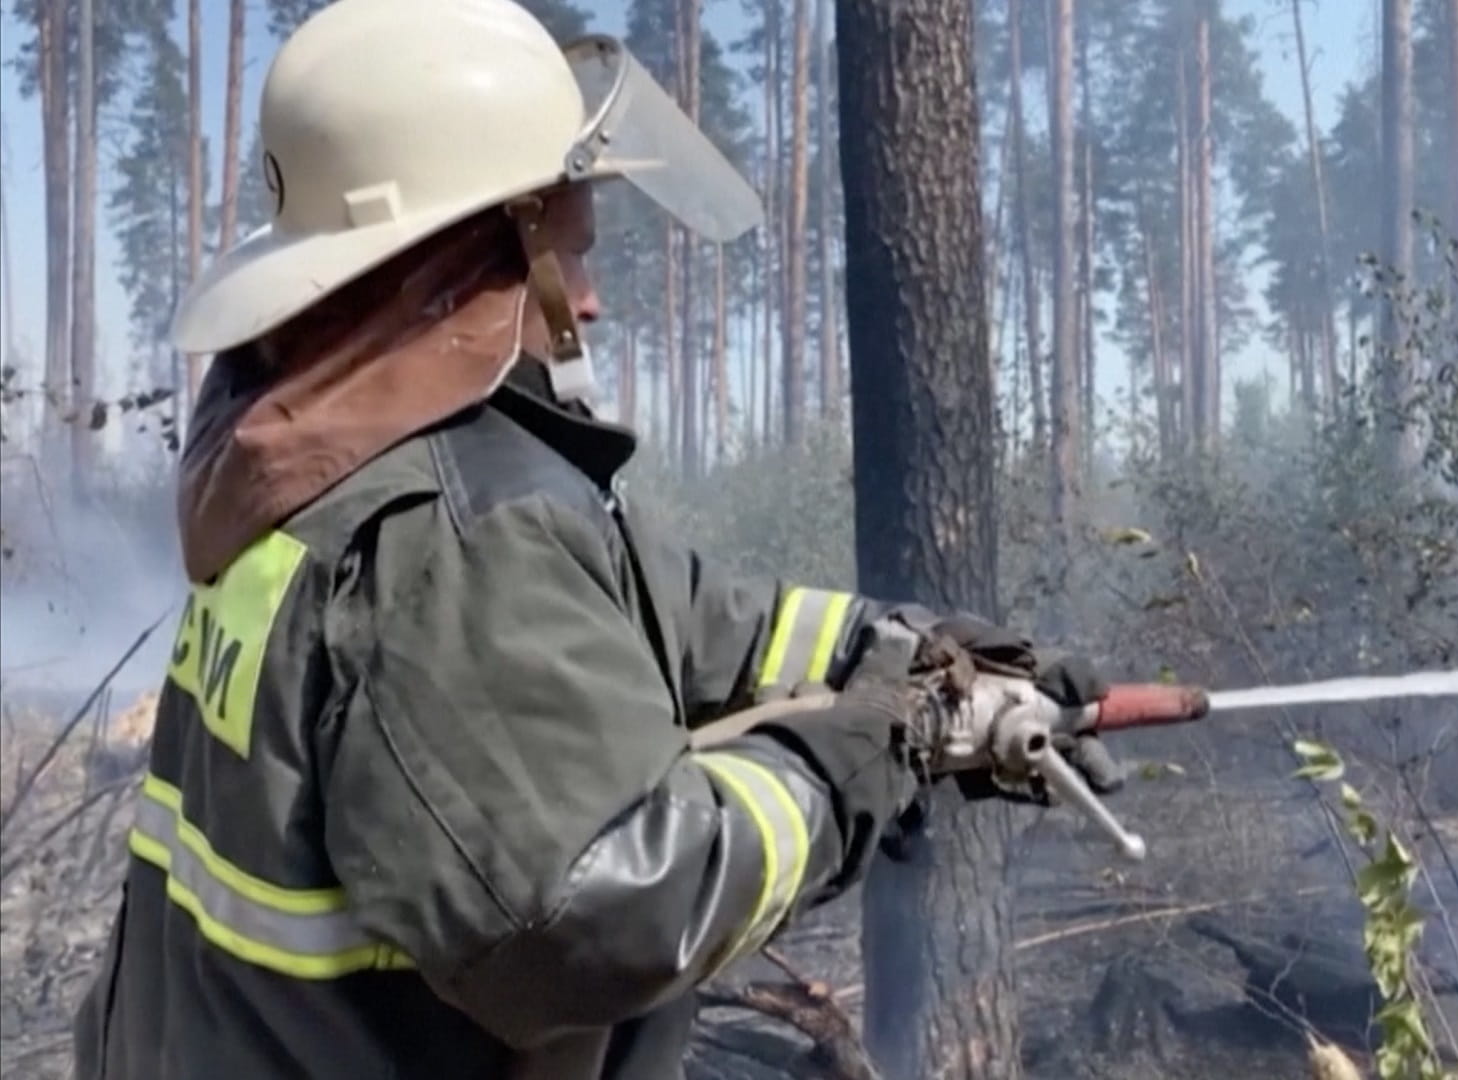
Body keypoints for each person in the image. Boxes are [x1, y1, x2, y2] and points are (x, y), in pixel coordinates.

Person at [69, 1, 1122, 1077]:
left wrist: (916, 651)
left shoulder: (315, 463)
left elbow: (685, 618)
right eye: (570, 254)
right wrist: (865, 753)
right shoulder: (457, 535)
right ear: (462, 263)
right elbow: (602, 910)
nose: (593, 299)